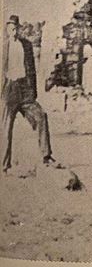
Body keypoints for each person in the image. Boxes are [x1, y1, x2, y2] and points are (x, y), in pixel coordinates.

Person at [1, 15, 55, 172]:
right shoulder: (3, 46)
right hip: (8, 89)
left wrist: (33, 92)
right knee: (5, 127)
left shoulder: (27, 45)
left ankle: (46, 156)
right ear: (7, 30)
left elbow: (32, 70)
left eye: (15, 28)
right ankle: (4, 166)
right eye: (10, 28)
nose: (13, 31)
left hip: (25, 89)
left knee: (41, 116)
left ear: (19, 28)